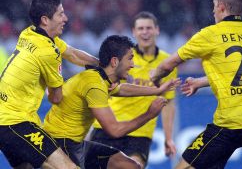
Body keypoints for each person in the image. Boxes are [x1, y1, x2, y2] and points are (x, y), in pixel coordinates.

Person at [151, 0, 242, 168]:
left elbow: (169, 64)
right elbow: (241, 73)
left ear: (221, 7)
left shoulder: (209, 35)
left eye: (214, 5)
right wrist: (201, 81)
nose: (213, 10)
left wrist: (154, 77)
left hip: (229, 123)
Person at [43, 35, 180, 169]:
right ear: (114, 61)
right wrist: (149, 114)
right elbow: (115, 130)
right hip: (60, 144)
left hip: (76, 143)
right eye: (130, 59)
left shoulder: (101, 78)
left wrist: (157, 91)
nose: (132, 65)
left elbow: (122, 89)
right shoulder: (94, 85)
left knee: (130, 166)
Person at [0, 0, 98, 169]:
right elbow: (56, 98)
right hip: (15, 122)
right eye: (60, 14)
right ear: (45, 20)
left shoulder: (29, 33)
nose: (65, 18)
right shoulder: (47, 51)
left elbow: (72, 53)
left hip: (7, 120)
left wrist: (101, 65)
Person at [89, 11, 178, 168]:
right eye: (141, 28)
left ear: (157, 30)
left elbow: (168, 102)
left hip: (140, 132)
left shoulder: (166, 63)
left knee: (133, 166)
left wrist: (168, 137)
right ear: (133, 32)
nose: (145, 32)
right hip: (108, 126)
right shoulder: (122, 57)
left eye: (149, 28)